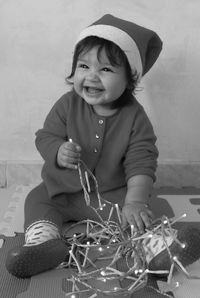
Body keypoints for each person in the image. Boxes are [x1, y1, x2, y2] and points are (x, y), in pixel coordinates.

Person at [6, 14, 163, 278]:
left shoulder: (135, 117)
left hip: (109, 198)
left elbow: (142, 161)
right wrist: (57, 150)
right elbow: (45, 136)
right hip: (62, 193)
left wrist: (134, 201)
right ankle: (45, 244)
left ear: (129, 79)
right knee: (36, 198)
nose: (91, 76)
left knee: (139, 212)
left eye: (105, 69)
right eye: (83, 66)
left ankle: (157, 249)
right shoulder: (67, 104)